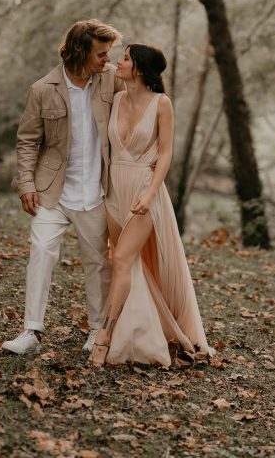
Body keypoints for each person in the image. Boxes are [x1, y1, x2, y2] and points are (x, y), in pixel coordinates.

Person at [2, 19, 124, 356]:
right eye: (101, 53)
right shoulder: (42, 89)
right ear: (81, 51)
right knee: (40, 254)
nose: (106, 59)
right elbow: (27, 141)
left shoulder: (112, 79)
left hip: (97, 192)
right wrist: (26, 183)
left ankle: (97, 330)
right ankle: (31, 332)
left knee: (98, 264)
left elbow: (142, 102)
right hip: (51, 193)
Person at [90, 43, 215, 366]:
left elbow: (165, 154)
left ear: (141, 69)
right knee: (125, 263)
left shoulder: (162, 104)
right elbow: (96, 69)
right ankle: (138, 329)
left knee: (121, 260)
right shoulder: (117, 98)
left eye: (126, 58)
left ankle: (104, 336)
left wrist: (149, 194)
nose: (119, 61)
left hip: (144, 190)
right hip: (114, 189)